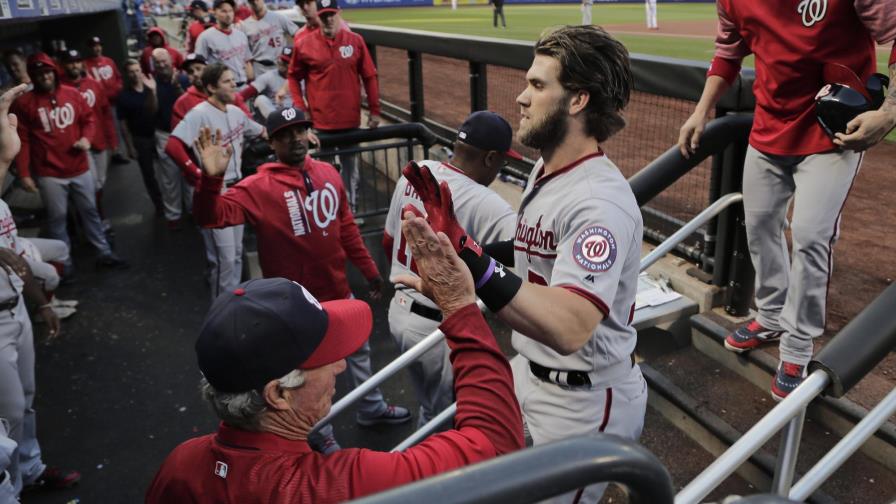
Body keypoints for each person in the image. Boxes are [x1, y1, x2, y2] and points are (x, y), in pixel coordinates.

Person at [403, 25, 646, 503]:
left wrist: (471, 260)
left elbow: (571, 325)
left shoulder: (600, 203)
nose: (520, 97)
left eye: (538, 85)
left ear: (577, 101)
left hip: (582, 398)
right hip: (529, 371)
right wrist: (456, 252)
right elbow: (530, 256)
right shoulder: (545, 168)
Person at [144, 231, 523, 501]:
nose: (341, 366)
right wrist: (459, 308)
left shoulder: (181, 464)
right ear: (278, 393)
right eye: (325, 358)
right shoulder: (341, 484)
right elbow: (496, 448)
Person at [678, 0, 896, 401]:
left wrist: (890, 111)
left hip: (833, 131)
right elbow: (728, 52)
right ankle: (772, 315)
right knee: (760, 227)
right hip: (769, 127)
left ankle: (797, 346)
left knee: (812, 237)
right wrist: (702, 109)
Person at [191, 106, 409, 449]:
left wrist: (369, 270)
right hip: (294, 309)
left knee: (359, 354)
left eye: (300, 130)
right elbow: (211, 217)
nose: (295, 138)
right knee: (308, 379)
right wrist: (211, 180)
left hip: (338, 291)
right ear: (272, 141)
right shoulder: (257, 186)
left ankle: (371, 407)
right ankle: (320, 436)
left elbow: (347, 228)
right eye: (285, 133)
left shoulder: (328, 173)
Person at [383, 110, 519, 428]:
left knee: (429, 406)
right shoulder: (488, 203)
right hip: (437, 329)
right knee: (446, 420)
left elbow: (389, 241)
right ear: (489, 158)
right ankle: (430, 476)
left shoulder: (416, 173)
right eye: (502, 162)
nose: (501, 169)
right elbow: (525, 255)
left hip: (397, 313)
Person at [0, 82, 81, 501]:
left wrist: (43, 304)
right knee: (7, 417)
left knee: (26, 402)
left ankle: (30, 471)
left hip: (16, 311)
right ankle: (9, 490)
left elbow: (14, 259)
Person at [10, 53, 128, 269]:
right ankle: (63, 264)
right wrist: (25, 173)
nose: (44, 76)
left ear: (54, 72)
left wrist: (86, 138)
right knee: (58, 219)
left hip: (79, 166)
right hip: (49, 173)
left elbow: (89, 119)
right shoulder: (25, 103)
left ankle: (104, 252)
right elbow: (23, 141)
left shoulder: (72, 94)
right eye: (39, 73)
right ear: (33, 76)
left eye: (47, 71)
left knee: (90, 211)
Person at [165, 64, 264, 299]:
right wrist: (200, 175)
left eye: (233, 80)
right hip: (216, 193)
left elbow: (263, 131)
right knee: (223, 260)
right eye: (227, 81)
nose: (234, 85)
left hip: (237, 191)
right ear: (211, 87)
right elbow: (172, 145)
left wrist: (303, 133)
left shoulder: (236, 112)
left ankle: (233, 306)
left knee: (237, 254)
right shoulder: (199, 113)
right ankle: (220, 317)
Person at [287, 0, 381, 213]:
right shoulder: (304, 43)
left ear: (339, 13)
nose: (328, 19)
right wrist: (301, 110)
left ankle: (351, 211)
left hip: (350, 120)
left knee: (350, 170)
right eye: (324, 16)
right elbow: (293, 77)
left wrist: (375, 110)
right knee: (323, 172)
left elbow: (369, 75)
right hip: (321, 123)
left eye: (332, 14)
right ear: (317, 17)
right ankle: (329, 213)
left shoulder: (355, 41)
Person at [58, 49, 116, 232]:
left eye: (77, 61)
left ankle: (91, 219)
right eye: (69, 62)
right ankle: (96, 221)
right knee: (88, 187)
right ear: (63, 65)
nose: (74, 65)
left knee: (99, 184)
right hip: (80, 146)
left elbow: (106, 113)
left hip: (99, 141)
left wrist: (112, 139)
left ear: (82, 63)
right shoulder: (60, 88)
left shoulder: (93, 84)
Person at [116, 58, 165, 217]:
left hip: (158, 134)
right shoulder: (123, 96)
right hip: (140, 138)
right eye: (131, 71)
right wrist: (129, 146)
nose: (135, 74)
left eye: (137, 70)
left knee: (167, 170)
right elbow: (123, 124)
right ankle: (159, 204)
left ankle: (172, 200)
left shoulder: (150, 87)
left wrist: (153, 91)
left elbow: (156, 109)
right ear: (126, 74)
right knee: (149, 174)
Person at [171, 53, 252, 130]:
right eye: (190, 72)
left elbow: (248, 120)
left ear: (208, 69)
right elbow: (179, 135)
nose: (195, 74)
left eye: (198, 69)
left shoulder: (225, 91)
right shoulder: (182, 102)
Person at [84, 36, 128, 165]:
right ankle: (103, 153)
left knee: (116, 128)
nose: (96, 48)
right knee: (100, 129)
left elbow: (118, 78)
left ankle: (116, 152)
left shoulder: (109, 61)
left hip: (114, 102)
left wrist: (118, 88)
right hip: (98, 104)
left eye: (98, 45)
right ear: (89, 48)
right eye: (93, 46)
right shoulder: (86, 65)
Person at [195, 0, 252, 88]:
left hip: (244, 85)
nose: (228, 15)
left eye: (230, 11)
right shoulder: (205, 37)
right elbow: (199, 66)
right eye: (223, 11)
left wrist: (250, 82)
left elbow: (247, 60)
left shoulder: (240, 34)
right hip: (223, 88)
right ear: (214, 13)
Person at [237, 0, 297, 80]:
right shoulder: (244, 26)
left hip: (280, 66)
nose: (255, 2)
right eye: (251, 1)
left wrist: (292, 56)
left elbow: (298, 35)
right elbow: (245, 54)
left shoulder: (279, 17)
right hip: (258, 68)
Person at [238, 46, 292, 119]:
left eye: (286, 61)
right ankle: (278, 123)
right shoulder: (268, 76)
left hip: (295, 114)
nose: (282, 62)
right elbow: (241, 96)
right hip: (275, 114)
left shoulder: (302, 78)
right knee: (260, 99)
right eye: (281, 59)